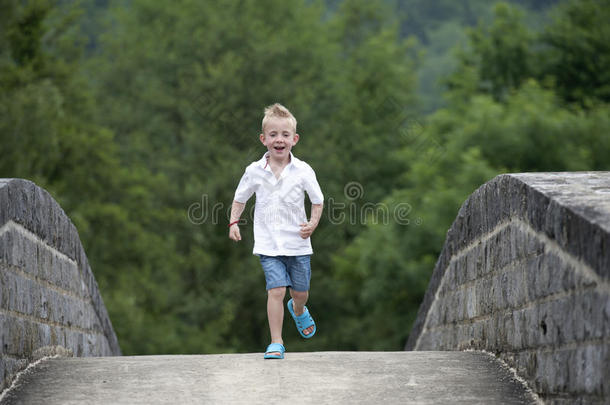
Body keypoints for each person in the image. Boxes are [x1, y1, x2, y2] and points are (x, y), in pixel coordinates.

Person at [229, 103, 324, 359]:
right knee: (276, 290)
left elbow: (318, 200)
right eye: (273, 135)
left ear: (294, 139)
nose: (278, 140)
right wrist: (233, 222)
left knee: (299, 292)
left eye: (284, 135)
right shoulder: (253, 171)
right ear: (264, 139)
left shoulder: (304, 170)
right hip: (268, 245)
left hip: (298, 245)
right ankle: (276, 342)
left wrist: (313, 223)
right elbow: (240, 199)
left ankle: (299, 309)